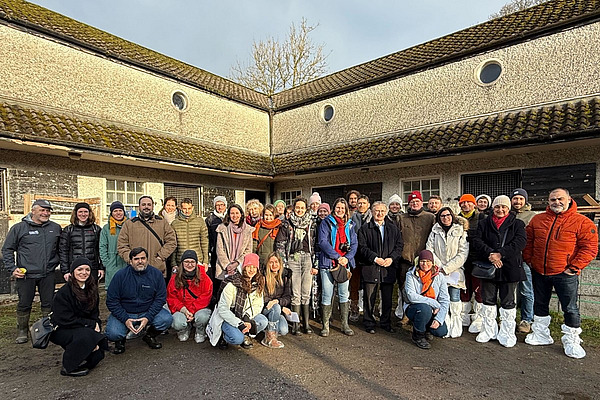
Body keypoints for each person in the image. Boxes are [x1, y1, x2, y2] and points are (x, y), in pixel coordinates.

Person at [524, 188, 598, 359]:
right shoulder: (538, 219)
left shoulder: (582, 222)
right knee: (540, 304)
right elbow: (528, 242)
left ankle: (572, 339)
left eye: (560, 199)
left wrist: (573, 267)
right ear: (548, 202)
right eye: (553, 200)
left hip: (565, 273)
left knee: (570, 307)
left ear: (569, 199)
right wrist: (530, 260)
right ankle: (541, 334)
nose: (556, 202)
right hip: (539, 270)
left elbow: (590, 248)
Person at [2, 199, 61, 344]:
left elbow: (62, 248)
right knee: (24, 303)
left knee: (48, 303)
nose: (45, 213)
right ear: (33, 210)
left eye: (48, 211)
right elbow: (7, 249)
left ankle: (48, 329)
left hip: (48, 273)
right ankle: (22, 330)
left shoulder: (55, 228)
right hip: (25, 275)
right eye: (42, 210)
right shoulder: (19, 228)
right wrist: (13, 268)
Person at [472, 195, 526, 348]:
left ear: (508, 208)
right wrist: (490, 254)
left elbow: (520, 242)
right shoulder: (484, 223)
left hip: (509, 267)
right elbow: (477, 240)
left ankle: (507, 332)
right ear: (493, 208)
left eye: (503, 207)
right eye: (497, 207)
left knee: (508, 301)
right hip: (488, 266)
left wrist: (501, 253)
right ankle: (489, 330)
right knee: (488, 299)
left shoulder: (517, 224)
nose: (500, 210)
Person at [106, 247, 173, 353]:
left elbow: (160, 299)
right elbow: (111, 301)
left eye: (143, 258)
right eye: (136, 259)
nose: (140, 261)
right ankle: (120, 340)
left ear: (147, 259)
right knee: (112, 333)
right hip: (126, 312)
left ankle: (149, 336)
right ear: (131, 261)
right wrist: (125, 319)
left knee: (166, 319)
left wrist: (148, 317)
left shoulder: (156, 274)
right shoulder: (120, 276)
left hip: (147, 311)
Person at [50, 257, 108, 377]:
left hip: (82, 326)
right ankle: (68, 367)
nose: (84, 273)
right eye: (80, 269)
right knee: (85, 336)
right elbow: (64, 319)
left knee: (98, 353)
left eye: (87, 269)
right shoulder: (64, 293)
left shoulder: (92, 289)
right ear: (73, 272)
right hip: (62, 328)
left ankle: (83, 355)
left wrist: (95, 329)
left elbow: (94, 314)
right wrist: (90, 327)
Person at [358, 201, 403, 334]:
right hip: (371, 267)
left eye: (382, 211)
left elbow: (399, 246)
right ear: (372, 212)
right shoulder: (365, 228)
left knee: (387, 298)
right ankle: (369, 322)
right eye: (377, 211)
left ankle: (385, 322)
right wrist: (375, 258)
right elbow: (362, 247)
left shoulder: (393, 228)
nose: (379, 213)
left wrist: (391, 258)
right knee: (369, 297)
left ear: (386, 212)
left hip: (388, 268)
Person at [275, 196, 317, 335]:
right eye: (297, 207)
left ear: (306, 209)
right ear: (294, 208)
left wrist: (315, 263)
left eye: (302, 208)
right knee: (295, 293)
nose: (299, 210)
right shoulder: (287, 224)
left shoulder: (312, 223)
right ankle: (295, 324)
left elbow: (316, 244)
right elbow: (280, 245)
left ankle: (306, 324)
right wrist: (284, 263)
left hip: (307, 259)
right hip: (292, 258)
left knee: (306, 291)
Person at [207, 253, 267, 349]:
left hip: (244, 315)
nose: (251, 270)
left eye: (254, 267)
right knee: (237, 339)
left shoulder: (257, 283)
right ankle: (224, 336)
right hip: (229, 317)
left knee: (263, 321)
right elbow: (223, 309)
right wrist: (239, 324)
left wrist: (247, 317)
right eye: (248, 267)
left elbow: (258, 304)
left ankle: (246, 336)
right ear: (243, 267)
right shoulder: (232, 283)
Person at [426, 207, 469, 338]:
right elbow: (429, 249)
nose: (446, 218)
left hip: (455, 271)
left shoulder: (460, 231)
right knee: (441, 299)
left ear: (452, 216)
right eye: (442, 216)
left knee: (455, 298)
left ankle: (456, 325)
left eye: (448, 215)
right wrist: (440, 266)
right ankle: (444, 323)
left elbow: (463, 253)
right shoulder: (434, 231)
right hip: (438, 271)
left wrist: (448, 268)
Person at [318, 197, 358, 337]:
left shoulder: (350, 225)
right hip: (328, 262)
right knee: (327, 294)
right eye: (337, 207)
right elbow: (322, 242)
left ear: (346, 209)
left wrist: (346, 258)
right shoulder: (326, 223)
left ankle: (345, 324)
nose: (340, 210)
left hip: (345, 263)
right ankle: (325, 325)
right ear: (334, 208)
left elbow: (354, 244)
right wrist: (337, 256)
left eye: (342, 208)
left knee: (343, 294)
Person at [395, 191, 435, 324]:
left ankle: (423, 316)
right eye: (412, 202)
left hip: (423, 261)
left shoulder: (429, 217)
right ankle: (407, 313)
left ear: (421, 202)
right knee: (405, 289)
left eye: (417, 201)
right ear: (409, 204)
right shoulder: (401, 218)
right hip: (405, 260)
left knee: (423, 288)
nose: (415, 203)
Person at [117, 195, 177, 279]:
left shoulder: (162, 223)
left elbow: (172, 242)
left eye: (149, 204)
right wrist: (131, 259)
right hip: (135, 270)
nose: (146, 207)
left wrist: (160, 257)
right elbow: (121, 245)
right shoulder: (129, 224)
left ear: (153, 206)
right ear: (139, 206)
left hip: (157, 268)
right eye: (143, 204)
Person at [403, 250, 449, 349]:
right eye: (422, 261)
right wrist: (434, 304)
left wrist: (439, 319)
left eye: (428, 261)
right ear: (418, 262)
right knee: (425, 309)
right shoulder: (411, 275)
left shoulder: (439, 277)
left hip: (433, 310)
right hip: (413, 307)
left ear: (432, 263)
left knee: (441, 331)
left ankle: (425, 328)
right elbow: (411, 296)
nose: (425, 264)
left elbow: (445, 300)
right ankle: (418, 336)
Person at [167, 250, 213, 343]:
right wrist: (183, 309)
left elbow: (206, 297)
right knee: (177, 322)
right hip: (181, 308)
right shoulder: (175, 278)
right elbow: (171, 297)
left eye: (192, 262)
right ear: (182, 263)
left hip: (198, 308)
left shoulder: (204, 278)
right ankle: (184, 329)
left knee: (203, 317)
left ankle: (200, 331)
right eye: (186, 262)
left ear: (196, 263)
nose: (189, 264)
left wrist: (191, 310)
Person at [458, 193, 486, 332]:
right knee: (464, 288)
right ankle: (464, 316)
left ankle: (479, 318)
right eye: (463, 203)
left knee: (478, 289)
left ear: (474, 204)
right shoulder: (456, 219)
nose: (465, 205)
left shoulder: (482, 218)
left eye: (468, 202)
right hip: (461, 261)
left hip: (478, 259)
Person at [510, 188, 536, 334]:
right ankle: (510, 318)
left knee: (526, 290)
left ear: (525, 200)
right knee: (510, 291)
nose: (517, 201)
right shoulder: (508, 214)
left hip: (524, 259)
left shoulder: (532, 216)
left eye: (520, 198)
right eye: (515, 199)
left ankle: (526, 320)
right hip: (509, 258)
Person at [59, 202, 103, 282]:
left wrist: (101, 267)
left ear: (89, 213)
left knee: (92, 292)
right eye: (80, 212)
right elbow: (63, 251)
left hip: (92, 268)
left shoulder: (96, 229)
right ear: (76, 213)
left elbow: (100, 250)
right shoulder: (68, 230)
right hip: (75, 268)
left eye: (85, 212)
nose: (83, 214)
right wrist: (65, 271)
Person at [215, 204, 254, 284]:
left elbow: (248, 250)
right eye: (232, 213)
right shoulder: (222, 228)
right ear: (228, 215)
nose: (235, 215)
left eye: (237, 213)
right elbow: (219, 249)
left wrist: (236, 263)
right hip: (224, 268)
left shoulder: (247, 230)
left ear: (241, 214)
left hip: (240, 267)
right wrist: (227, 266)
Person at [261, 252, 292, 348]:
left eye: (276, 262)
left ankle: (269, 329)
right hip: (265, 308)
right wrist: (277, 305)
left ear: (280, 263)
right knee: (275, 307)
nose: (274, 265)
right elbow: (264, 298)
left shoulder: (285, 277)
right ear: (267, 264)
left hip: (278, 308)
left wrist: (278, 303)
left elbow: (288, 297)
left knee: (284, 330)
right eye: (271, 262)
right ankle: (269, 338)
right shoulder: (263, 276)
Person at [349, 194, 372, 321]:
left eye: (364, 203)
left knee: (369, 284)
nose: (361, 205)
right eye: (359, 203)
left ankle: (369, 310)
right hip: (356, 255)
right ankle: (354, 308)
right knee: (355, 283)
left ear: (368, 205)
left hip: (369, 255)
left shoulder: (373, 217)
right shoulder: (352, 218)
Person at [171, 198, 210, 271]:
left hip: (198, 260)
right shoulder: (175, 224)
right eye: (184, 208)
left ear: (192, 208)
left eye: (189, 208)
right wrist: (173, 263)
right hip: (181, 261)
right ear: (180, 208)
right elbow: (173, 244)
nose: (187, 211)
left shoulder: (200, 221)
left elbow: (205, 242)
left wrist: (205, 261)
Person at [99, 201, 128, 290]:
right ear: (111, 213)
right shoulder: (106, 228)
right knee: (113, 290)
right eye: (115, 211)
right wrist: (106, 263)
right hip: (112, 263)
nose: (118, 213)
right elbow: (102, 246)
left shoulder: (129, 226)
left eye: (120, 210)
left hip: (126, 262)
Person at [206, 196, 227, 295]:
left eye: (222, 205)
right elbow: (207, 237)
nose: (220, 207)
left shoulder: (229, 217)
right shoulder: (210, 219)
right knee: (217, 276)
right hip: (215, 252)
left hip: (228, 252)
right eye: (217, 205)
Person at [252, 204, 282, 269]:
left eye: (270, 215)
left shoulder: (279, 226)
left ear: (274, 215)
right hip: (262, 261)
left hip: (275, 262)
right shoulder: (258, 226)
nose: (268, 217)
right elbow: (254, 244)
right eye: (266, 215)